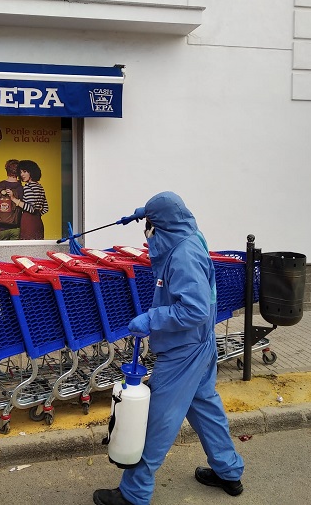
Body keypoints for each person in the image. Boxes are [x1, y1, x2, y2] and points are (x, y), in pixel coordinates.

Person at [94, 191, 244, 505]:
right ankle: (228, 471)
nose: (148, 234)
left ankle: (134, 494)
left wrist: (152, 318)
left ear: (162, 226)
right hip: (198, 345)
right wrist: (147, 211)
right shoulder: (187, 235)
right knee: (206, 409)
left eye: (150, 227)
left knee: (157, 420)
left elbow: (196, 309)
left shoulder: (183, 255)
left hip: (184, 350)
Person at [7, 159, 48, 240]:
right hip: (38, 222)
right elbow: (46, 208)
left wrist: (13, 199)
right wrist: (37, 216)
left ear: (31, 172)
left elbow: (30, 208)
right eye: (21, 172)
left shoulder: (28, 187)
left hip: (28, 222)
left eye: (25, 171)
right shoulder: (40, 187)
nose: (22, 174)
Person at [0, 159, 24, 240]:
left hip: (1, 228)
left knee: (1, 252)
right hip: (16, 227)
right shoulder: (21, 188)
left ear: (6, 170)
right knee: (15, 252)